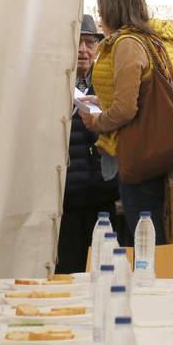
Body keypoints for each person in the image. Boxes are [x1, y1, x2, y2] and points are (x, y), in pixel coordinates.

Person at [80, 0, 173, 243]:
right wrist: (106, 103)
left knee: (147, 236)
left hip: (140, 154)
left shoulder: (127, 43)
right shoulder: (159, 40)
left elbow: (126, 109)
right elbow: (146, 96)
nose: (101, 19)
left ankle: (153, 283)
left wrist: (97, 120)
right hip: (162, 148)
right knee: (160, 231)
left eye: (102, 12)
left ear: (112, 12)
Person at [57, 15, 119, 274]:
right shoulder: (56, 84)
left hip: (102, 194)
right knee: (70, 269)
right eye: (78, 41)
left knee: (105, 270)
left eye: (89, 42)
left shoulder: (106, 83)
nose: (83, 49)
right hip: (67, 197)